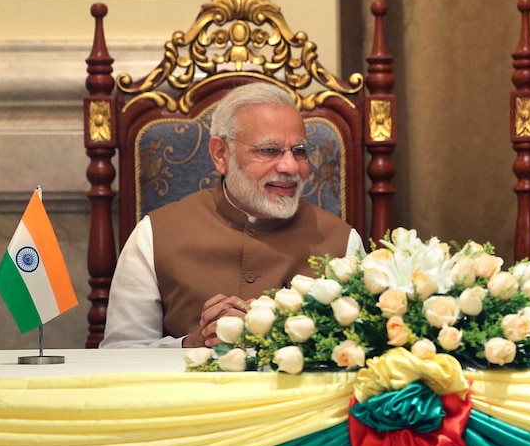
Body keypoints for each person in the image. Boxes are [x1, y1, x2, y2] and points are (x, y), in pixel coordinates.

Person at [100, 82, 363, 348]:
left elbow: (368, 353)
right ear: (221, 155)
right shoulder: (154, 236)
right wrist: (190, 344)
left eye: (300, 151)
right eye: (269, 150)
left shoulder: (343, 244)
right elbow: (119, 354)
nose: (290, 166)